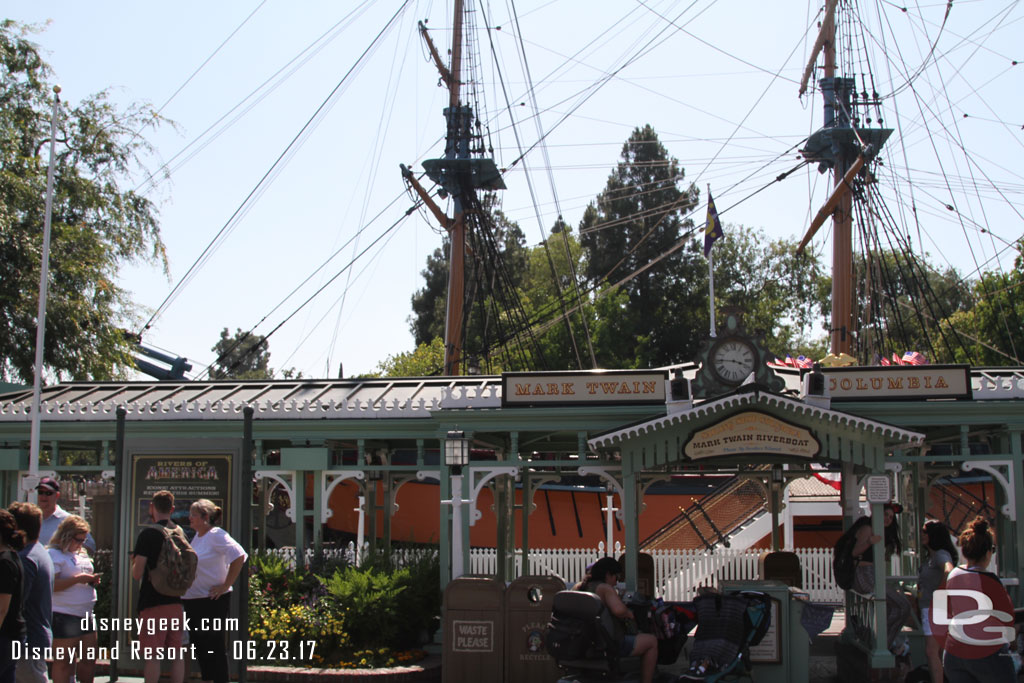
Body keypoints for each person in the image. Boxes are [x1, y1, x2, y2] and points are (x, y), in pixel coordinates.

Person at [940, 516, 1016, 683]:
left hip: (954, 653)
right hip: (985, 654)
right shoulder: (989, 580)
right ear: (988, 552)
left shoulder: (954, 575)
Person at [182, 499, 247, 683]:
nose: (190, 518)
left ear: (206, 517)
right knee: (201, 647)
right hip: (193, 600)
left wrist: (225, 585)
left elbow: (239, 555)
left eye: (194, 515)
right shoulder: (198, 537)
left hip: (210, 601)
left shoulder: (216, 534)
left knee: (213, 646)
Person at [132, 490, 188, 683]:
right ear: (172, 509)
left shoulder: (148, 534)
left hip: (152, 602)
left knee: (152, 655)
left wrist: (134, 562)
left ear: (151, 507)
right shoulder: (179, 533)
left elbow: (137, 572)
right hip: (176, 602)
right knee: (177, 654)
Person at [573, 557, 658, 683]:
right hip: (608, 643)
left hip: (586, 641)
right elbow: (619, 611)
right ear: (608, 574)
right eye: (616, 578)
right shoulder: (605, 588)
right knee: (651, 641)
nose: (616, 583)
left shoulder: (580, 587)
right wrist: (629, 613)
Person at [850, 503, 913, 657]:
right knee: (902, 605)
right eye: (886, 514)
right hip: (863, 573)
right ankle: (882, 644)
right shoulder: (867, 529)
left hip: (871, 573)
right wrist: (869, 542)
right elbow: (854, 552)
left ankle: (879, 640)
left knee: (899, 606)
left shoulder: (879, 531)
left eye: (891, 517)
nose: (888, 519)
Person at [48, 515, 99, 683]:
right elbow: (53, 585)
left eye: (84, 541)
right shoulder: (54, 554)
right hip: (64, 613)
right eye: (78, 540)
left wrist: (90, 580)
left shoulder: (81, 554)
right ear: (66, 536)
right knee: (63, 661)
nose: (81, 544)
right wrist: (78, 579)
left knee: (89, 659)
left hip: (86, 613)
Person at [8, 502, 53, 683]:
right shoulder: (38, 552)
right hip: (35, 638)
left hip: (27, 641)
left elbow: (14, 603)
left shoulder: (25, 559)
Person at [917, 520, 957, 683]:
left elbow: (949, 570)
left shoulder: (940, 554)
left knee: (931, 651)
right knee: (938, 652)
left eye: (925, 532)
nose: (922, 535)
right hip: (931, 607)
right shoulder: (932, 556)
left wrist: (940, 592)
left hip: (935, 608)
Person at [0, 510, 27, 683]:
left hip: (5, 637)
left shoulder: (4, 563)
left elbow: (2, 609)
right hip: (12, 636)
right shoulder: (11, 557)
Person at [36, 478, 96, 552]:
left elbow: (90, 545)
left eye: (48, 493)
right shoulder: (32, 518)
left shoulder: (67, 520)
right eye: (40, 492)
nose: (43, 497)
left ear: (57, 495)